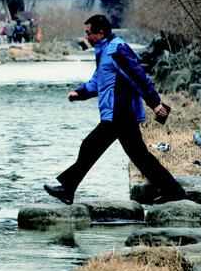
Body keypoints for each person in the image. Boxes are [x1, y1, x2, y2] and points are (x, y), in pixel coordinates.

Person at [43, 15, 187, 205]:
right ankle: (174, 191)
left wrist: (155, 103)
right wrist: (80, 93)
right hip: (116, 113)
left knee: (90, 146)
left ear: (100, 33)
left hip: (120, 112)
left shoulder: (116, 49)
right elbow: (99, 81)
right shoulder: (104, 51)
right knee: (139, 156)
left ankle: (68, 189)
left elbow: (138, 76)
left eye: (88, 33)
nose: (86, 37)